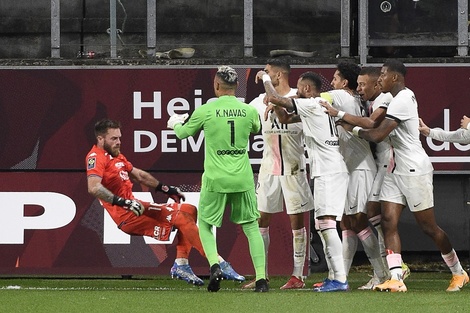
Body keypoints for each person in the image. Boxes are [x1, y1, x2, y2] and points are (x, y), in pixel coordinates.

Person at [342, 59, 468, 292]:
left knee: (429, 228)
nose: (379, 78)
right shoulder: (395, 98)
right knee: (388, 222)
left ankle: (458, 272)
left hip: (413, 169)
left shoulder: (401, 99)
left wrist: (353, 128)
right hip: (394, 169)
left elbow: (379, 134)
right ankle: (396, 277)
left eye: (382, 74)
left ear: (395, 78)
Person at [86, 118, 244, 287]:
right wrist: (123, 202)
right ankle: (218, 263)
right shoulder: (96, 157)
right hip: (128, 215)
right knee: (182, 218)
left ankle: (181, 264)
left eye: (119, 138)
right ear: (100, 139)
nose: (118, 142)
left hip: (137, 207)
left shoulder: (117, 156)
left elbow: (140, 175)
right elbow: (94, 187)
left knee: (189, 209)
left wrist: (166, 188)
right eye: (114, 139)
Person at [168, 66, 268, 292]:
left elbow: (183, 134)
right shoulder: (248, 110)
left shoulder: (206, 110)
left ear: (216, 86)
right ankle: (261, 278)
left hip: (215, 178)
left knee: (205, 224)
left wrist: (174, 122)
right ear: (236, 87)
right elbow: (255, 128)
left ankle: (214, 265)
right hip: (242, 177)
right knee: (251, 227)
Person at [257, 70, 350, 292]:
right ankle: (335, 277)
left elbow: (275, 97)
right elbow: (285, 117)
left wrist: (267, 80)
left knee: (327, 225)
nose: (296, 92)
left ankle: (340, 279)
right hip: (327, 169)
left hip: (329, 170)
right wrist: (280, 106)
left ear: (307, 89)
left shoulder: (311, 104)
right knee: (322, 225)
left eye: (299, 88)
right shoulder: (318, 105)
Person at [242, 59, 314, 290]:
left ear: (280, 75)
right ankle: (262, 275)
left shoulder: (298, 97)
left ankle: (297, 276)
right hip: (269, 166)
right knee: (261, 219)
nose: (264, 73)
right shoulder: (256, 102)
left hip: (294, 165)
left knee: (296, 221)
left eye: (268, 71)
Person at [320, 63, 389, 290]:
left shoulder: (342, 96)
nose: (332, 81)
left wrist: (293, 96)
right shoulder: (352, 100)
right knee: (347, 223)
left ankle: (381, 275)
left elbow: (317, 98)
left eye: (335, 77)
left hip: (360, 167)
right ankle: (340, 275)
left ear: (344, 83)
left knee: (358, 221)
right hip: (350, 167)